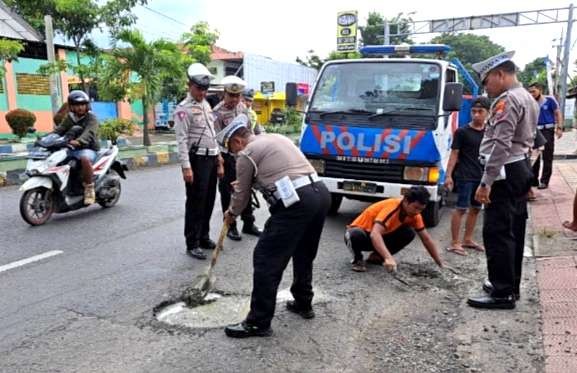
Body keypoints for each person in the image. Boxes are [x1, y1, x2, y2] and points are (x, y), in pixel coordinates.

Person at [220, 114, 330, 338]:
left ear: (237, 141)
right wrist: (245, 184)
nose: (233, 154)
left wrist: (231, 213)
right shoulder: (274, 137)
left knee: (266, 258)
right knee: (303, 253)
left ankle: (258, 322)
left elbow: (240, 197)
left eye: (231, 149)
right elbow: (277, 172)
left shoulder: (246, 154)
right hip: (319, 194)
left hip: (296, 203)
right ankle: (303, 302)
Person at [468, 51, 539, 309]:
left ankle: (501, 293)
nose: (485, 87)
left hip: (504, 171)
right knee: (514, 229)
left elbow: (501, 143)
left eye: (486, 81)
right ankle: (510, 283)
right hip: (519, 168)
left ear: (500, 74)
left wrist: (486, 182)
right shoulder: (528, 97)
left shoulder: (507, 100)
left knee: (497, 231)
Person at [174, 63, 224, 260]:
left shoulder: (205, 105)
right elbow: (181, 140)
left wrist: (219, 159)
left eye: (205, 89)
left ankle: (204, 236)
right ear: (189, 85)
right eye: (199, 89)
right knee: (195, 202)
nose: (202, 93)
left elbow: (213, 133)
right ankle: (192, 242)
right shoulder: (183, 109)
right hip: (197, 161)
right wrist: (186, 167)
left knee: (209, 200)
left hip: (211, 157)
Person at [344, 187, 444, 273]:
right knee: (354, 234)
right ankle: (358, 259)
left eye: (421, 209)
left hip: (380, 238)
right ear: (405, 201)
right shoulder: (392, 207)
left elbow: (426, 239)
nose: (417, 212)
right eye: (415, 207)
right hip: (363, 236)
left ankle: (377, 257)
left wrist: (439, 263)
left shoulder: (415, 215)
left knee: (409, 232)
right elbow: (375, 234)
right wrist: (388, 257)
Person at [214, 76, 261, 241]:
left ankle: (249, 223)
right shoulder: (217, 112)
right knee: (228, 192)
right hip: (227, 156)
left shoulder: (243, 108)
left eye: (237, 96)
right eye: (231, 95)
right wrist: (219, 161)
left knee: (246, 188)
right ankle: (231, 226)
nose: (234, 99)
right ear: (224, 93)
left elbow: (249, 131)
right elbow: (215, 140)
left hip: (244, 154)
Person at [444, 97, 490, 256]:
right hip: (465, 176)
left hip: (482, 177)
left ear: (487, 113)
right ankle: (455, 242)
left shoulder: (489, 132)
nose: (476, 115)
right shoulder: (462, 132)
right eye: (474, 111)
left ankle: (468, 239)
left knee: (476, 209)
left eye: (480, 112)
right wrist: (448, 175)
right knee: (461, 209)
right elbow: (454, 154)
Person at [53, 90, 100, 205]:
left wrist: (78, 141)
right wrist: (45, 139)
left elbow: (89, 133)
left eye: (82, 105)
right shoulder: (70, 118)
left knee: (84, 158)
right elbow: (59, 130)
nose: (80, 108)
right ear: (71, 107)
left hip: (89, 148)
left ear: (87, 105)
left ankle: (89, 188)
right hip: (72, 148)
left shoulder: (91, 118)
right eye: (77, 105)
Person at [527, 82, 563, 194]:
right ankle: (534, 180)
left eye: (534, 91)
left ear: (540, 90)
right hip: (535, 131)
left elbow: (557, 113)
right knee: (535, 156)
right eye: (530, 92)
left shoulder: (550, 100)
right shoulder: (530, 102)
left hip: (548, 130)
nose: (531, 94)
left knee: (547, 155)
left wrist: (560, 128)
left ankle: (544, 181)